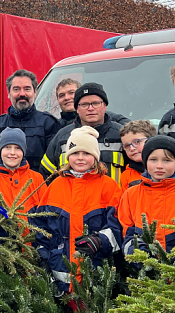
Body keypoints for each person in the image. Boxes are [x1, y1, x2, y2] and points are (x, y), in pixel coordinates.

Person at [30, 126, 122, 294]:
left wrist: (100, 240)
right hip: (60, 273)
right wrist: (42, 255)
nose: (80, 158)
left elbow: (117, 226)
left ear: (95, 157)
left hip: (96, 273)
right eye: (75, 153)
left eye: (86, 153)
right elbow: (40, 225)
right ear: (67, 157)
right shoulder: (56, 185)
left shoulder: (109, 187)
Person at [118, 136, 175, 257]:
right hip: (143, 271)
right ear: (145, 162)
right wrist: (138, 253)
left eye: (166, 160)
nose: (159, 166)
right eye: (153, 160)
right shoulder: (131, 195)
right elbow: (126, 231)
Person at [0, 70, 60, 179]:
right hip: (2, 193)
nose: (22, 94)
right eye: (16, 89)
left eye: (27, 89)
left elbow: (56, 167)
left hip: (38, 191)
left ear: (35, 93)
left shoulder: (49, 124)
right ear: (9, 93)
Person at [42, 82, 126, 184]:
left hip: (113, 199)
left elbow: (135, 174)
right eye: (84, 105)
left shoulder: (121, 135)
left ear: (104, 106)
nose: (90, 108)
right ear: (77, 109)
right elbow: (46, 176)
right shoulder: (63, 137)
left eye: (96, 103)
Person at [0, 128, 46, 236]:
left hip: (33, 244)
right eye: (7, 147)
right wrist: (7, 217)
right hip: (5, 244)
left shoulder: (36, 179)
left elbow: (45, 211)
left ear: (24, 152)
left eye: (17, 148)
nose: (12, 153)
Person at [119, 120, 175, 192]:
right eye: (127, 146)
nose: (132, 148)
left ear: (152, 139)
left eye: (137, 142)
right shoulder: (127, 175)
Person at [55, 78, 130, 127]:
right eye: (61, 95)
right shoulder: (54, 127)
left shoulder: (112, 120)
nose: (67, 98)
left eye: (71, 93)